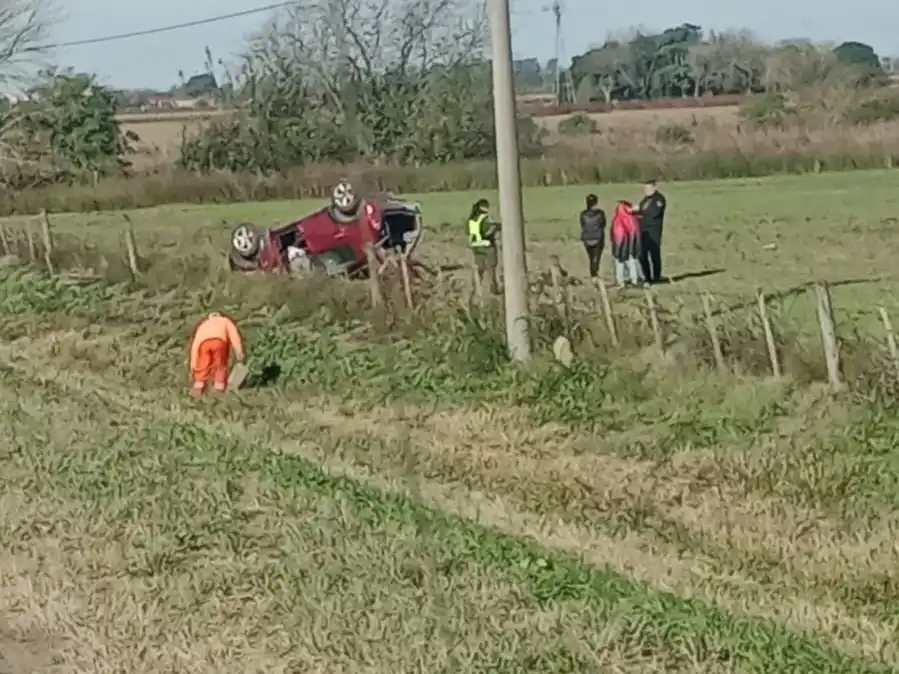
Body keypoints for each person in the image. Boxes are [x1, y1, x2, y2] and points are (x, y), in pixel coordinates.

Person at [188, 312, 245, 396]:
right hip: (219, 342)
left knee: (203, 365)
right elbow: (234, 335)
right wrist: (239, 351)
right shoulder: (225, 321)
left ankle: (198, 387)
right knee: (220, 364)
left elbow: (195, 346)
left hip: (204, 344)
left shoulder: (203, 324)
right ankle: (218, 387)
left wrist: (192, 366)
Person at [632, 179, 667, 284]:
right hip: (643, 231)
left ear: (654, 187)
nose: (646, 190)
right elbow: (642, 210)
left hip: (653, 231)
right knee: (642, 255)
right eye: (645, 188)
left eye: (648, 188)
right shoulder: (645, 199)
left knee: (654, 254)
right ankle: (647, 277)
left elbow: (654, 213)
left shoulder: (659, 199)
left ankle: (657, 277)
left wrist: (640, 211)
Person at [467, 198, 500, 295]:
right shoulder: (486, 219)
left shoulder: (472, 219)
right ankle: (493, 289)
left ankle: (476, 290)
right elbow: (490, 230)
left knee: (479, 269)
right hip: (487, 246)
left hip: (476, 246)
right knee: (491, 268)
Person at [610, 200, 641, 287]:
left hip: (621, 246)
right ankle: (634, 280)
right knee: (632, 262)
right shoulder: (632, 219)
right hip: (631, 246)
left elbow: (616, 236)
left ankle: (620, 281)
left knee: (620, 263)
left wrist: (617, 248)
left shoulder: (617, 220)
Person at [579, 193, 606, 278]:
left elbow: (582, 225)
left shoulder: (583, 214)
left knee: (591, 257)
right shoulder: (600, 213)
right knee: (596, 257)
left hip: (587, 238)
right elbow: (603, 224)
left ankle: (593, 274)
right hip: (598, 238)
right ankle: (595, 274)